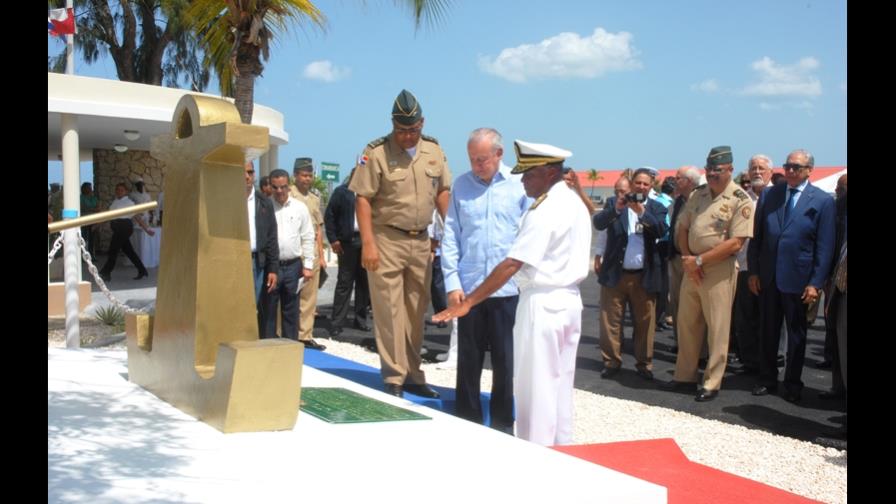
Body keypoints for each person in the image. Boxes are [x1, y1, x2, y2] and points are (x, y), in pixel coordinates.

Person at [434, 139, 590, 445]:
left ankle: (536, 452)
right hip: (569, 302)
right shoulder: (574, 202)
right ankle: (562, 449)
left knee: (535, 389)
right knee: (560, 386)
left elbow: (512, 263)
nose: (524, 182)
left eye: (529, 175)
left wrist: (469, 302)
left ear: (549, 173)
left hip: (542, 304)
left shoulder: (544, 209)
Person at [349, 89, 451, 398]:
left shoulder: (433, 150)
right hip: (386, 240)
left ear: (422, 123)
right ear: (393, 124)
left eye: (413, 130)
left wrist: (453, 232)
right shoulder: (376, 153)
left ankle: (413, 373)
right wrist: (368, 243)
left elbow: (443, 192)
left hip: (421, 241)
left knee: (416, 311)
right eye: (401, 130)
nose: (407, 136)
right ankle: (394, 376)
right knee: (390, 311)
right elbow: (363, 199)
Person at [441, 127, 530, 434]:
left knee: (506, 361)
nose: (476, 165)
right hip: (470, 290)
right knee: (468, 361)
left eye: (482, 159)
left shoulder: (520, 185)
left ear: (499, 154)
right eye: (472, 159)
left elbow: (528, 237)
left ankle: (504, 423)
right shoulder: (461, 186)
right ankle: (468, 421)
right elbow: (451, 236)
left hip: (508, 290)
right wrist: (452, 283)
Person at [660, 146, 753, 401]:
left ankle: (712, 382)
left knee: (717, 328)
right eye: (709, 169)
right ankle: (685, 376)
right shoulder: (698, 195)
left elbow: (736, 242)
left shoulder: (740, 199)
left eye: (717, 170)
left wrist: (700, 260)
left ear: (730, 169)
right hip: (692, 266)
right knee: (687, 324)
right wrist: (689, 259)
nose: (711, 174)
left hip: (718, 269)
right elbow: (682, 227)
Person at [748, 149, 836, 403]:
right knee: (768, 331)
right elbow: (757, 238)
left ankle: (793, 383)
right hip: (768, 277)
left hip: (799, 279)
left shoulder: (822, 201)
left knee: (796, 335)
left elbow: (825, 246)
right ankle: (767, 378)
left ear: (809, 170)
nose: (790, 171)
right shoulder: (770, 195)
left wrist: (815, 282)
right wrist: (754, 271)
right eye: (787, 166)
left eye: (796, 167)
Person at [593, 169, 668, 380]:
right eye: (638, 183)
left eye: (646, 184)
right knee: (610, 321)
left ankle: (644, 363)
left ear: (651, 186)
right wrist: (617, 209)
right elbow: (599, 223)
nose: (641, 187)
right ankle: (611, 361)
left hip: (643, 276)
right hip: (615, 274)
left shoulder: (657, 208)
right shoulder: (614, 203)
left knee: (644, 323)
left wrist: (642, 213)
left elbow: (661, 230)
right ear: (632, 184)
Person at [731, 154, 773, 375]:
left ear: (770, 172)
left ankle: (773, 359)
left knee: (770, 318)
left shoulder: (779, 196)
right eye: (753, 168)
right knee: (745, 317)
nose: (757, 172)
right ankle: (750, 361)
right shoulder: (741, 198)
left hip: (771, 269)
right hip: (744, 266)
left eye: (761, 168)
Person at [267, 169, 316, 341]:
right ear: (270, 187)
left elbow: (308, 237)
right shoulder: (265, 207)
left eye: (283, 187)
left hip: (293, 267)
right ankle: (268, 349)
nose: (279, 191)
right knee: (269, 312)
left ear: (289, 186)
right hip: (271, 268)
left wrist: (308, 266)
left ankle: (290, 348)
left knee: (291, 312)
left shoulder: (300, 208)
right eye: (275, 187)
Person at [324, 168, 371, 336]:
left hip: (365, 242)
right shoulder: (341, 192)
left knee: (364, 283)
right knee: (345, 282)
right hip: (347, 242)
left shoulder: (370, 193)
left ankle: (360, 320)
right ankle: (337, 322)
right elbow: (329, 216)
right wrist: (333, 239)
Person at [290, 158, 328, 351]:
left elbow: (318, 229)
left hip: (310, 253)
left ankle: (305, 335)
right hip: (293, 251)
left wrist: (320, 256)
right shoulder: (288, 195)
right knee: (289, 295)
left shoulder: (314, 198)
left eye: (309, 175)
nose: (307, 179)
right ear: (295, 175)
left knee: (309, 297)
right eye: (303, 175)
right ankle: (285, 333)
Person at [667, 166, 702, 352]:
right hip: (676, 259)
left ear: (689, 181)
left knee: (695, 307)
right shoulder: (677, 201)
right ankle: (679, 342)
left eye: (678, 178)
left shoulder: (701, 200)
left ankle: (698, 349)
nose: (674, 181)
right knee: (677, 303)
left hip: (695, 260)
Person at [245, 161, 279, 339]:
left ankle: (250, 341)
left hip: (256, 262)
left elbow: (272, 237)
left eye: (250, 172)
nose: (246, 176)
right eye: (243, 172)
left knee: (253, 305)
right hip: (234, 261)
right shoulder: (227, 200)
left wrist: (273, 269)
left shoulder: (264, 202)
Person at [99, 182, 154, 282]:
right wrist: (97, 225)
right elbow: (109, 215)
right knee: (129, 251)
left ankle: (106, 272)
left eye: (121, 190)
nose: (119, 191)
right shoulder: (115, 202)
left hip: (124, 227)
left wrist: (147, 229)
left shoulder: (129, 203)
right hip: (117, 228)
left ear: (126, 192)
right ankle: (142, 270)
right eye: (117, 190)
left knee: (113, 250)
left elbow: (137, 217)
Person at [80, 182, 99, 258]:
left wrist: (92, 209)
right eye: (88, 187)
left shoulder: (94, 198)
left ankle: (91, 255)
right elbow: (83, 208)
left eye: (90, 187)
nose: (90, 189)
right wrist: (93, 209)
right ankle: (82, 255)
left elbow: (98, 208)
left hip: (93, 220)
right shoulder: (81, 198)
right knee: (83, 238)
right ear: (84, 188)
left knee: (92, 239)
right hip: (83, 220)